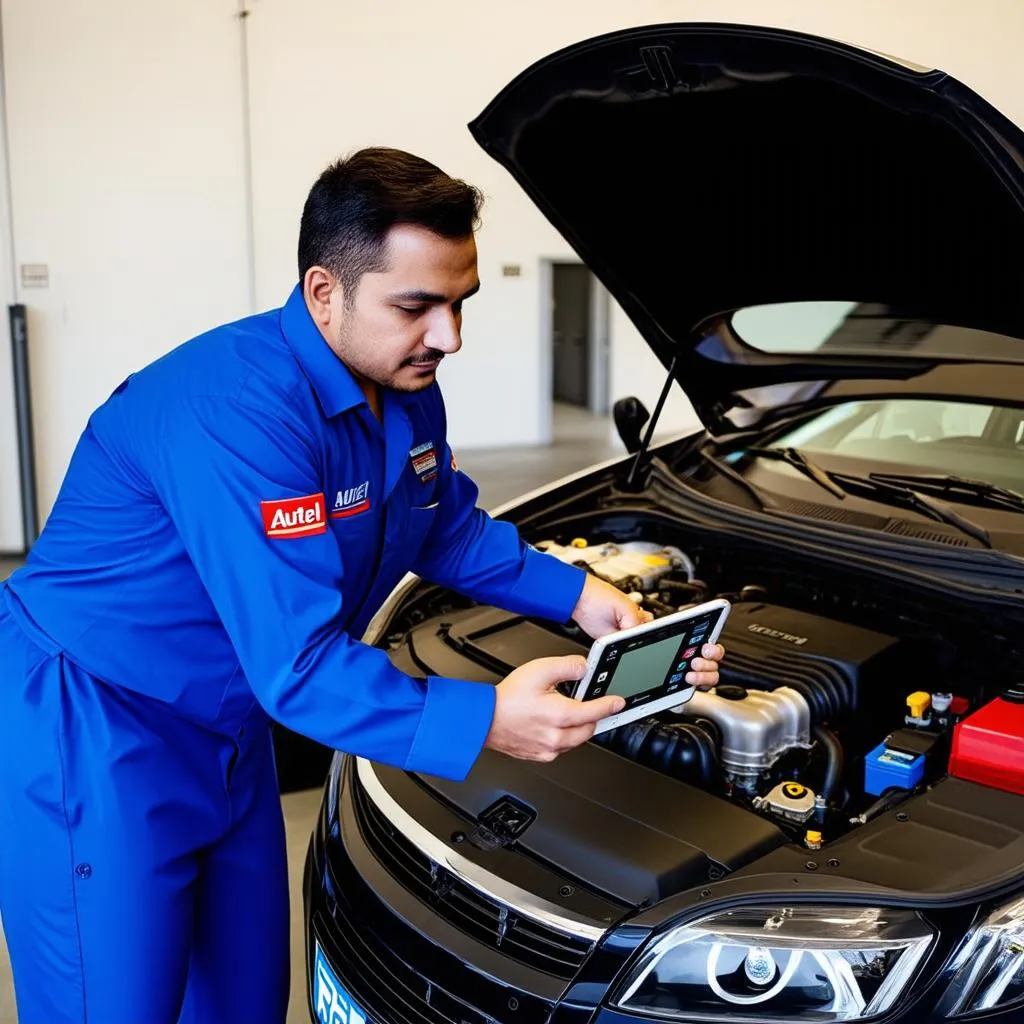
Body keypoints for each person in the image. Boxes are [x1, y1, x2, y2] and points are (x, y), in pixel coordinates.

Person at [0, 147, 724, 1023]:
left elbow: (441, 524)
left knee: (243, 1003)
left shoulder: (405, 386)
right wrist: (490, 718)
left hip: (231, 726)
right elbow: (300, 666)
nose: (448, 336)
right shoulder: (236, 412)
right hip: (98, 726)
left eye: (461, 304)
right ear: (323, 293)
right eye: (416, 306)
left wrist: (577, 597)